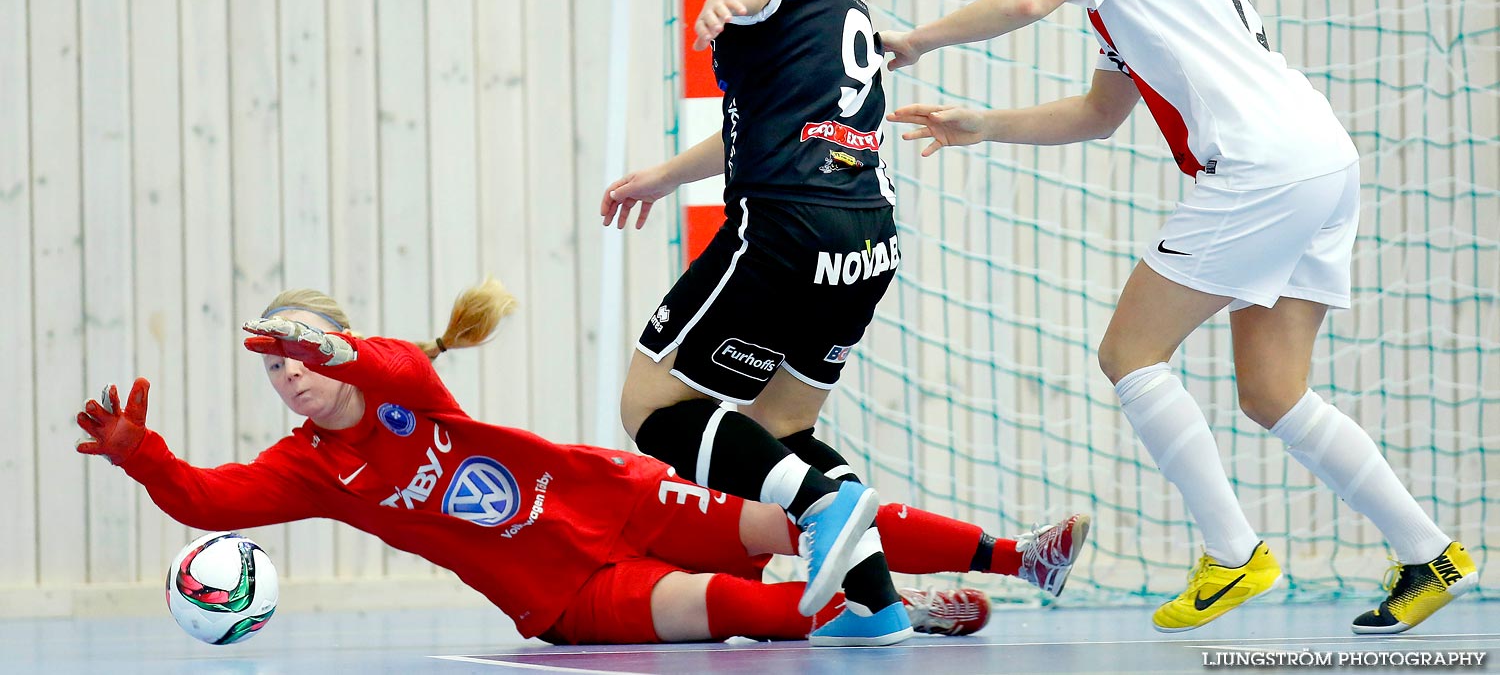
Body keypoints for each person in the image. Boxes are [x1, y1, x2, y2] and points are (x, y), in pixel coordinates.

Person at [879, 0, 1476, 636]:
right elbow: (1099, 112)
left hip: (1263, 167)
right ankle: (1431, 551)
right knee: (1274, 391)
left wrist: (918, 40)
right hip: (1320, 158)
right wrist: (986, 125)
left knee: (1129, 351)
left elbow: (1023, 1)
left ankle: (1233, 554)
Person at [77, 279, 1091, 646]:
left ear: (338, 349)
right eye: (275, 366)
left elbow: (390, 364)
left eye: (302, 353)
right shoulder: (310, 470)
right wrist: (141, 456)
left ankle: (1017, 555)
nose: (290, 377)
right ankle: (893, 612)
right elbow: (210, 497)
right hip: (568, 591)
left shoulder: (399, 387)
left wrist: (337, 345)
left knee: (813, 514)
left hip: (616, 495)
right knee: (753, 611)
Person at [601, 0, 936, 646]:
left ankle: (820, 505)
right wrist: (662, 177)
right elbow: (762, 125)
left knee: (649, 404)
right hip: (868, 239)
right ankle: (876, 605)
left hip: (786, 224)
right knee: (784, 425)